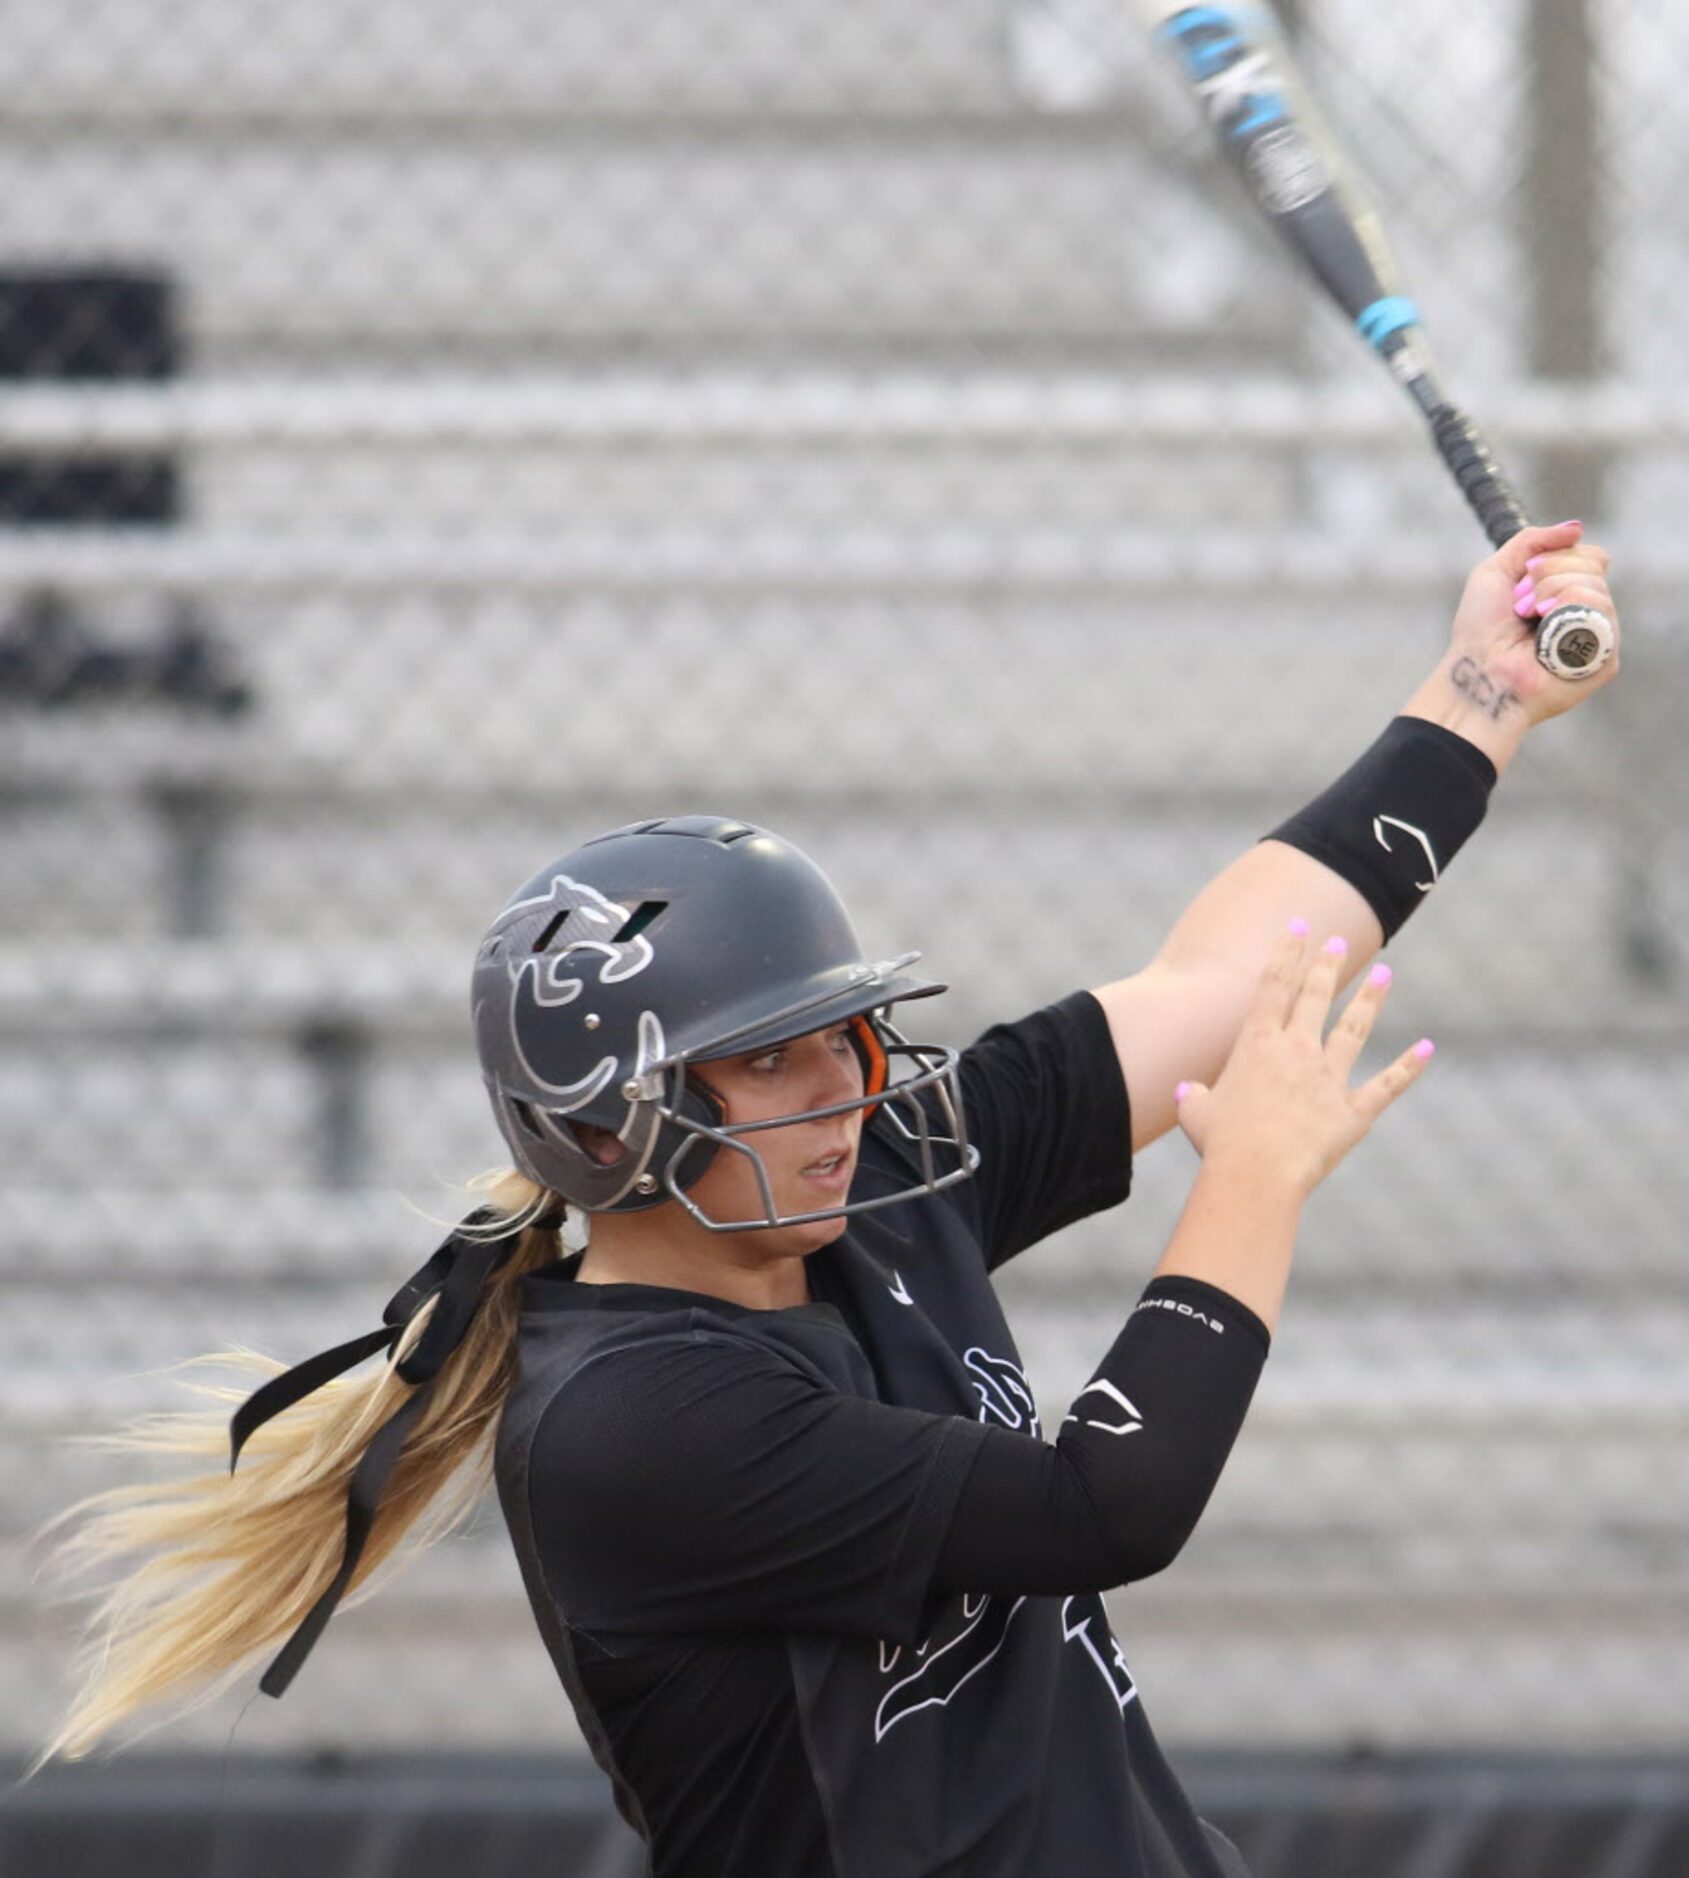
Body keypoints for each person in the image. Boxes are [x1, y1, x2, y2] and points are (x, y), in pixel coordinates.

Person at [31, 525, 1617, 1877]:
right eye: (775, 1058)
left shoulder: (856, 1187)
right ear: (615, 1127)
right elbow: (1102, 1508)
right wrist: (1254, 1178)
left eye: (848, 1035)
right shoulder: (633, 1424)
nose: (844, 1086)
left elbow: (1223, 980)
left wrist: (1478, 694)